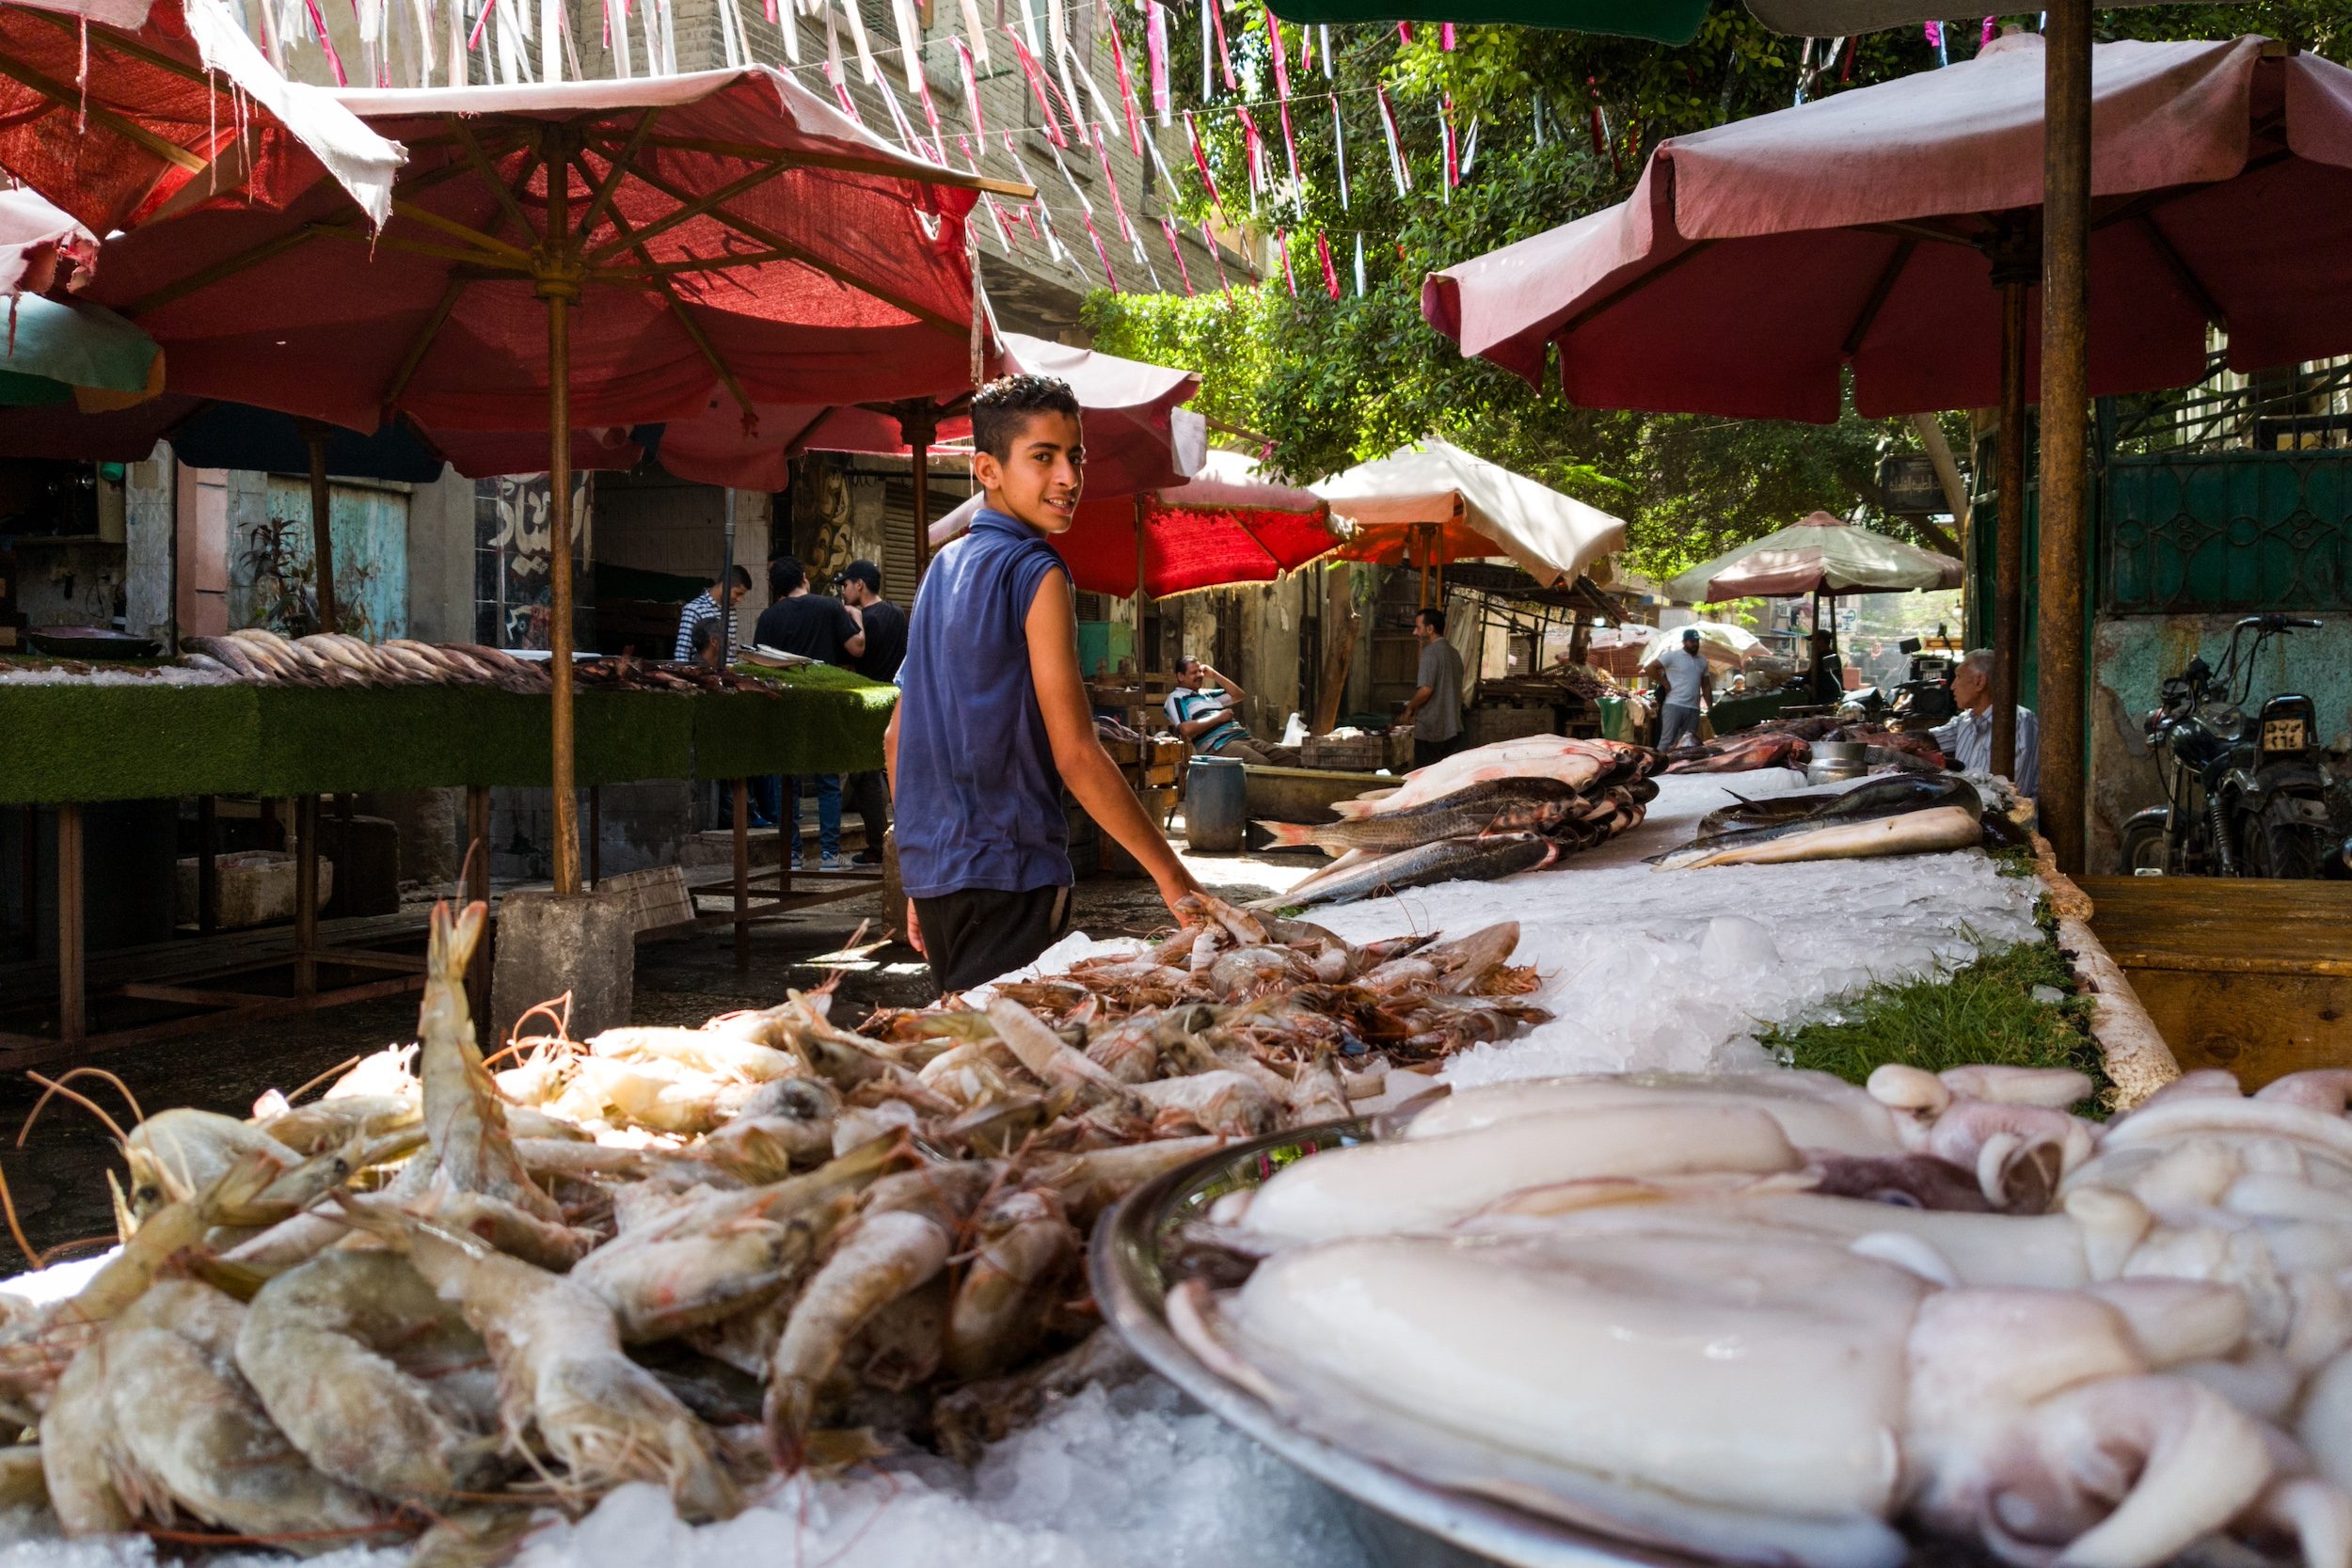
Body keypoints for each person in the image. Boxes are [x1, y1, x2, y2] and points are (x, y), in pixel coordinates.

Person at [887, 372, 1203, 994]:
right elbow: (1078, 752)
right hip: (1011, 876)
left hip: (939, 882)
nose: (1069, 477)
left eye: (1075, 456)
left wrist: (918, 875)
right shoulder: (1037, 572)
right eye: (1044, 457)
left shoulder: (939, 569)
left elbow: (897, 737)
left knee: (971, 1058)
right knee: (1019, 1069)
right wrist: (1174, 878)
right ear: (988, 469)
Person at [754, 555, 866, 871]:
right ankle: (830, 855)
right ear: (805, 577)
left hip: (785, 705)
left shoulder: (769, 617)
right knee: (828, 779)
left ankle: (792, 854)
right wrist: (856, 615)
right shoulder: (829, 607)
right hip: (823, 702)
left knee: (784, 781)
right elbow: (856, 647)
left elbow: (759, 664)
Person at [836, 560, 906, 869]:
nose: (843, 590)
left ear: (860, 585)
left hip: (868, 700)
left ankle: (878, 846)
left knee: (865, 777)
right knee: (895, 771)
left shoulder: (862, 620)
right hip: (896, 698)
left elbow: (852, 659)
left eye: (845, 584)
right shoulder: (897, 612)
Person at [1932, 647, 2041, 798]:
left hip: (2006, 816)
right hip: (1972, 806)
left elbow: (2011, 795)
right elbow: (1929, 740)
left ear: (1979, 682)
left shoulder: (2019, 722)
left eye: (1959, 677)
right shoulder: (1966, 720)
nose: (1952, 686)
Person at [1165, 656, 1301, 767]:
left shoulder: (1207, 694)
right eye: (1194, 673)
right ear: (1181, 676)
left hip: (1243, 738)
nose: (1200, 675)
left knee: (1291, 760)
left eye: (1200, 671)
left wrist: (1215, 675)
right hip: (1219, 745)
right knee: (1262, 764)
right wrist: (1219, 718)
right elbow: (1186, 729)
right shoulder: (1176, 698)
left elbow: (1239, 694)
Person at [1394, 606, 1466, 768]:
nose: (1415, 632)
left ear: (1430, 628)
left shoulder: (1431, 653)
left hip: (1432, 731)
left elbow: (1426, 689)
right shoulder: (1454, 654)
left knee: (1425, 779)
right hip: (1454, 729)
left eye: (1418, 628)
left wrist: (1410, 708)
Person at [673, 564, 751, 663]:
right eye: (738, 593)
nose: (740, 599)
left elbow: (731, 653)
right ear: (725, 585)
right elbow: (682, 653)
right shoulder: (694, 609)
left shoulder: (731, 611)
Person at [1653, 627, 1712, 752]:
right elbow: (1650, 667)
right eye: (1692, 641)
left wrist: (1710, 707)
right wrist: (1664, 682)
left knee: (1688, 743)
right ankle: (1657, 768)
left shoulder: (1703, 661)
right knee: (1667, 740)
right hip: (1674, 704)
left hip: (1694, 708)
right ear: (1684, 642)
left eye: (1697, 641)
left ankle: (1677, 768)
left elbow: (1706, 685)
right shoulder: (1672, 656)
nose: (1695, 644)